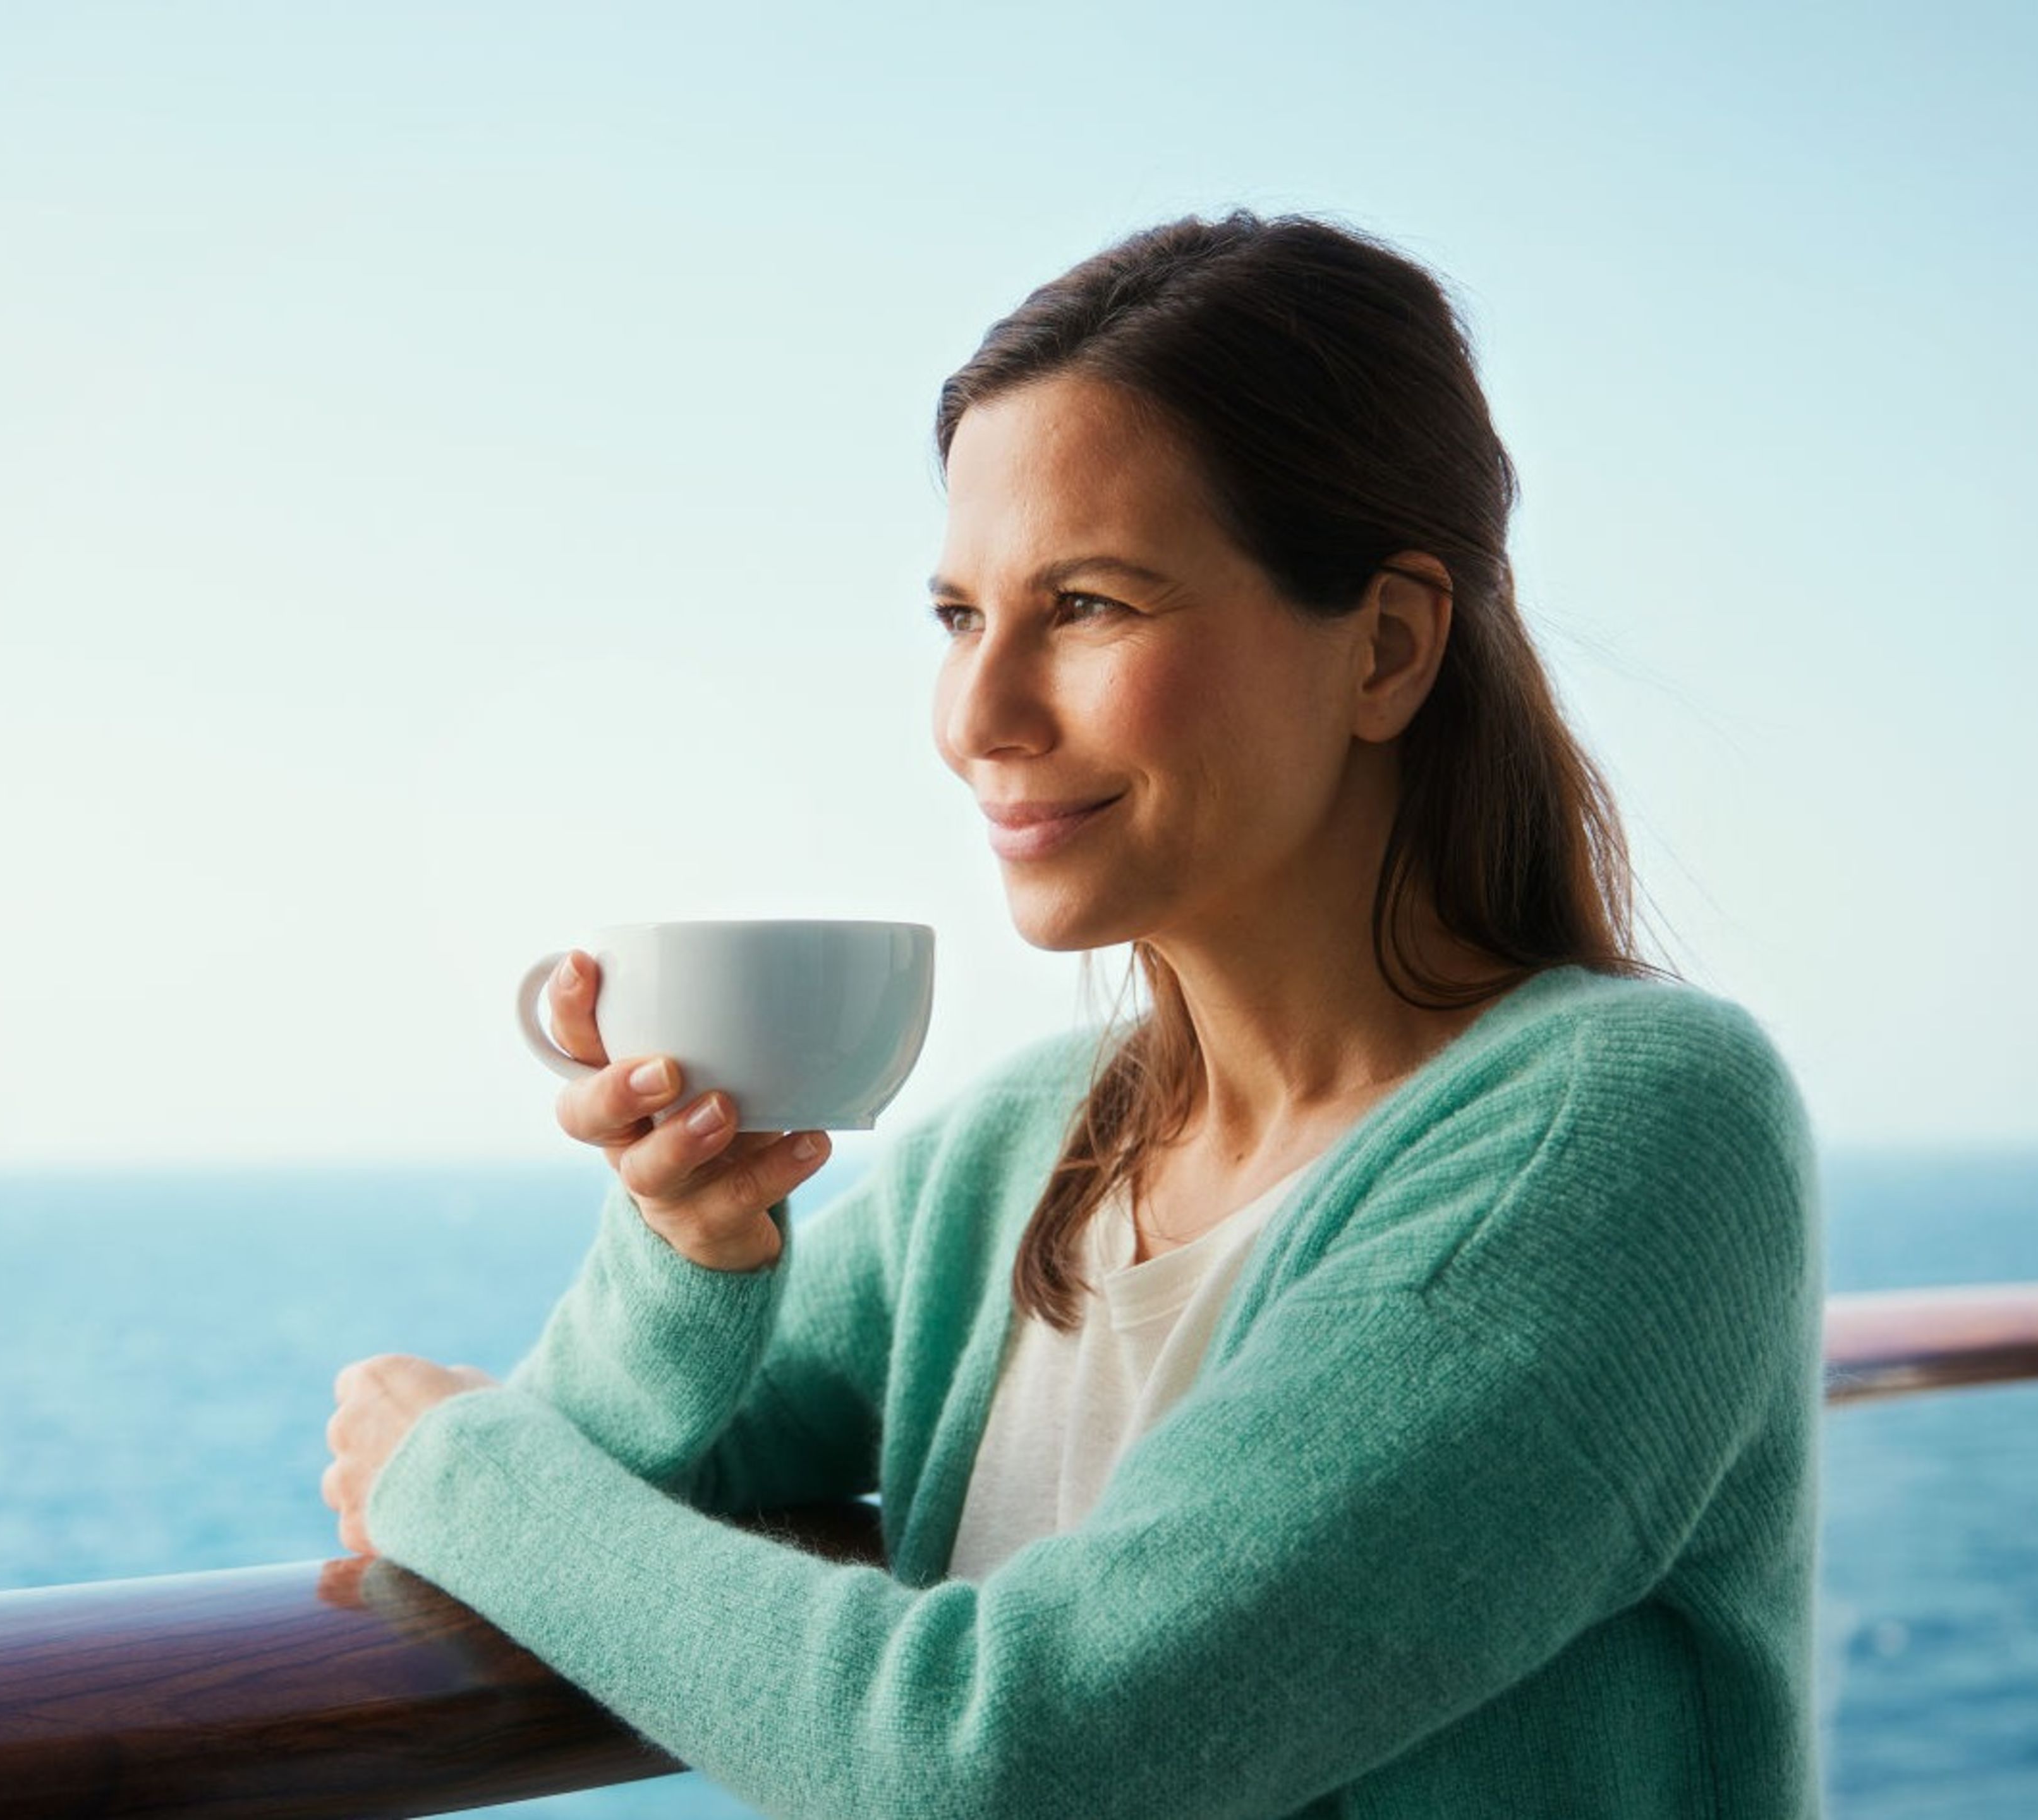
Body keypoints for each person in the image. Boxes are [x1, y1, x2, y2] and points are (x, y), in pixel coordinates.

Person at [322, 211, 1821, 1817]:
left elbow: (1013, 1764)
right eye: (959, 617)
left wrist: (452, 1470)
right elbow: (599, 1473)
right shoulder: (1023, 1150)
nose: (977, 718)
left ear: (1386, 649)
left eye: (1090, 605)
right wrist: (690, 1255)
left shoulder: (1631, 1134)